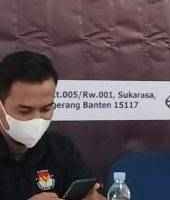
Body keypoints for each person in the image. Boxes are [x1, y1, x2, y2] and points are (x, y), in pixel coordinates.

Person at [0, 50, 104, 200]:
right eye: (25, 111)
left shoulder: (61, 148)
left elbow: (92, 194)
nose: (37, 120)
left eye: (46, 109)